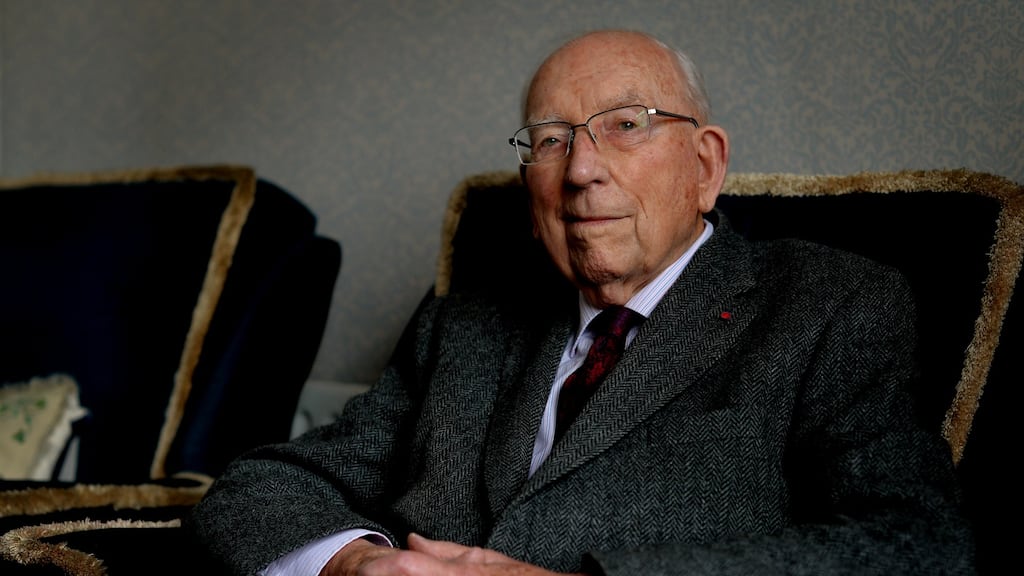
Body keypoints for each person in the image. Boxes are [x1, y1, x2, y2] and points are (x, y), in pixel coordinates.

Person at [186, 29, 975, 575]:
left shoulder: (829, 305)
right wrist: (354, 562)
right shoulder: (462, 324)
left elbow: (913, 546)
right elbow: (268, 486)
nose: (581, 170)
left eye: (626, 126)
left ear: (705, 166)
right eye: (552, 140)